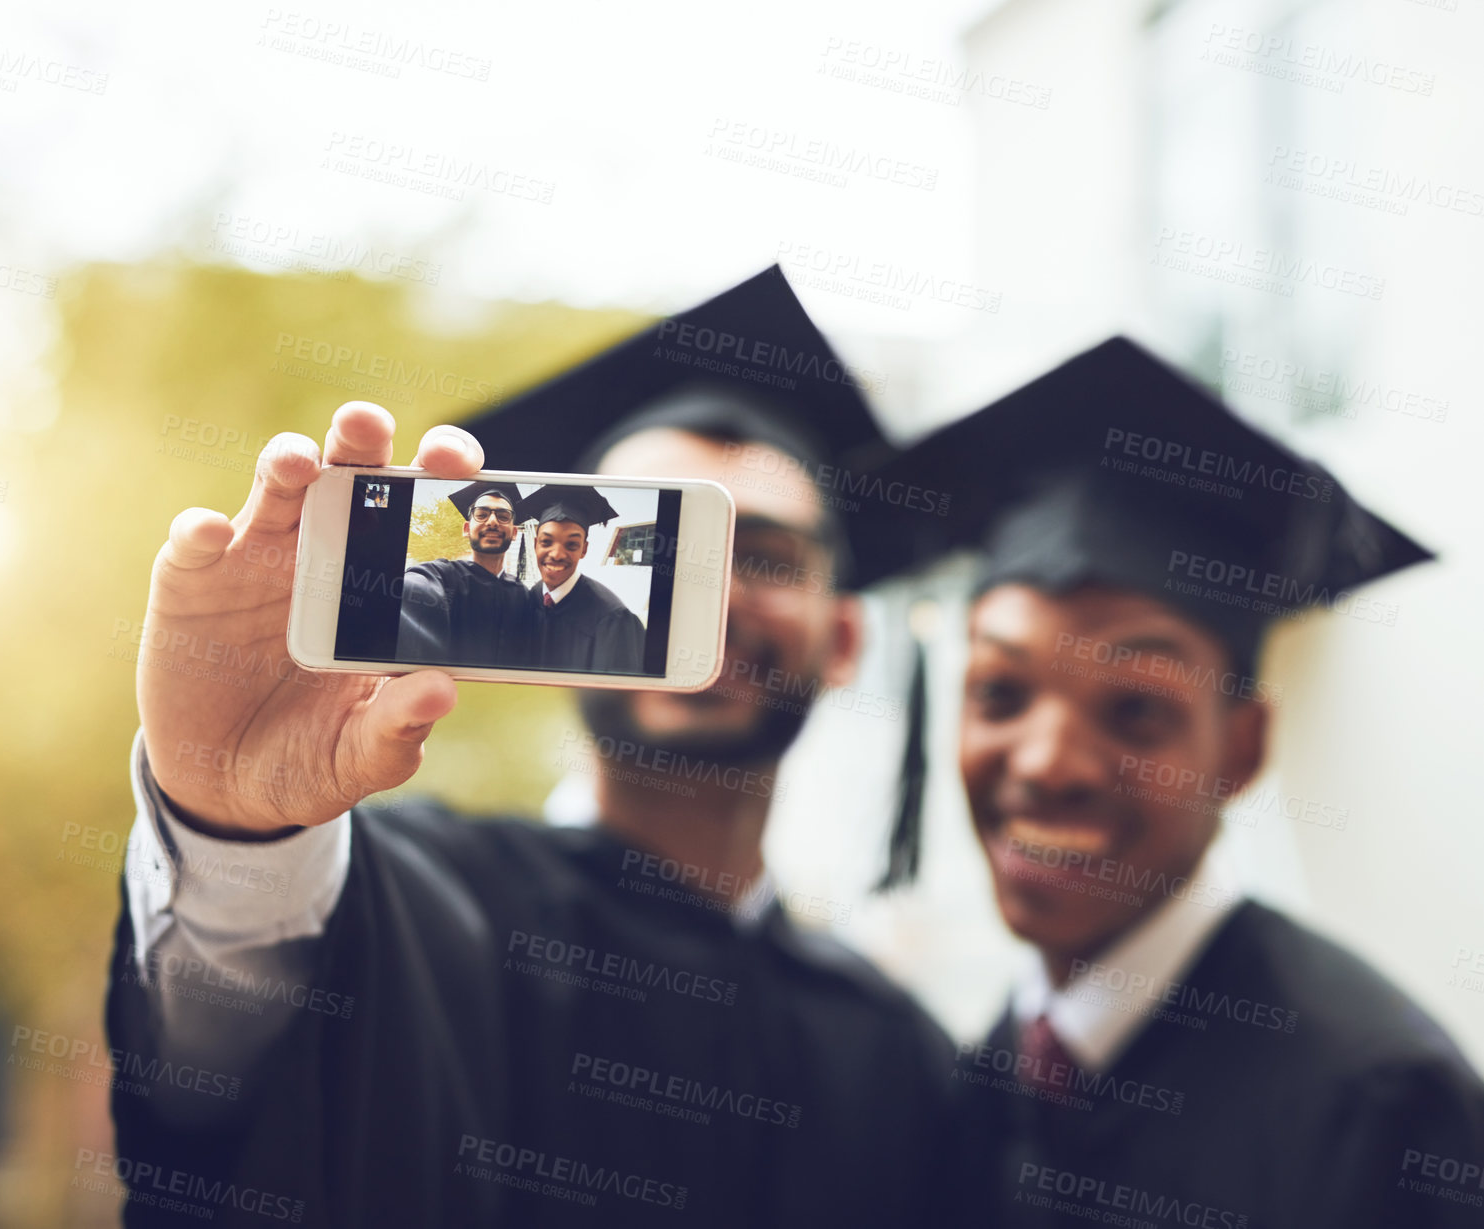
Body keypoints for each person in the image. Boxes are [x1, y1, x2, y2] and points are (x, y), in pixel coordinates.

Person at [107, 267, 979, 1227]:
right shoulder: (411, 898)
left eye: (764, 556)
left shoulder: (900, 1054)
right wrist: (230, 819)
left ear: (846, 639)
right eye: (652, 551)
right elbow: (210, 1066)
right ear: (552, 613)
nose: (714, 597)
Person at [870, 336, 1484, 1227]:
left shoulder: (1383, 1110)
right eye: (1000, 691)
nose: (1045, 761)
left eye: (1134, 712)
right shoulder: (980, 1078)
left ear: (1241, 747)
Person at [398, 480, 534, 667]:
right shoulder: (443, 576)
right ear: (466, 529)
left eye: (503, 516)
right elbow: (414, 586)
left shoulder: (521, 593)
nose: (492, 521)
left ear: (514, 533)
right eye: (482, 514)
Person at [515, 484, 646, 674]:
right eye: (546, 541)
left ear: (584, 549)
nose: (557, 554)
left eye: (571, 544)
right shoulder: (533, 596)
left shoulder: (613, 620)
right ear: (536, 544)